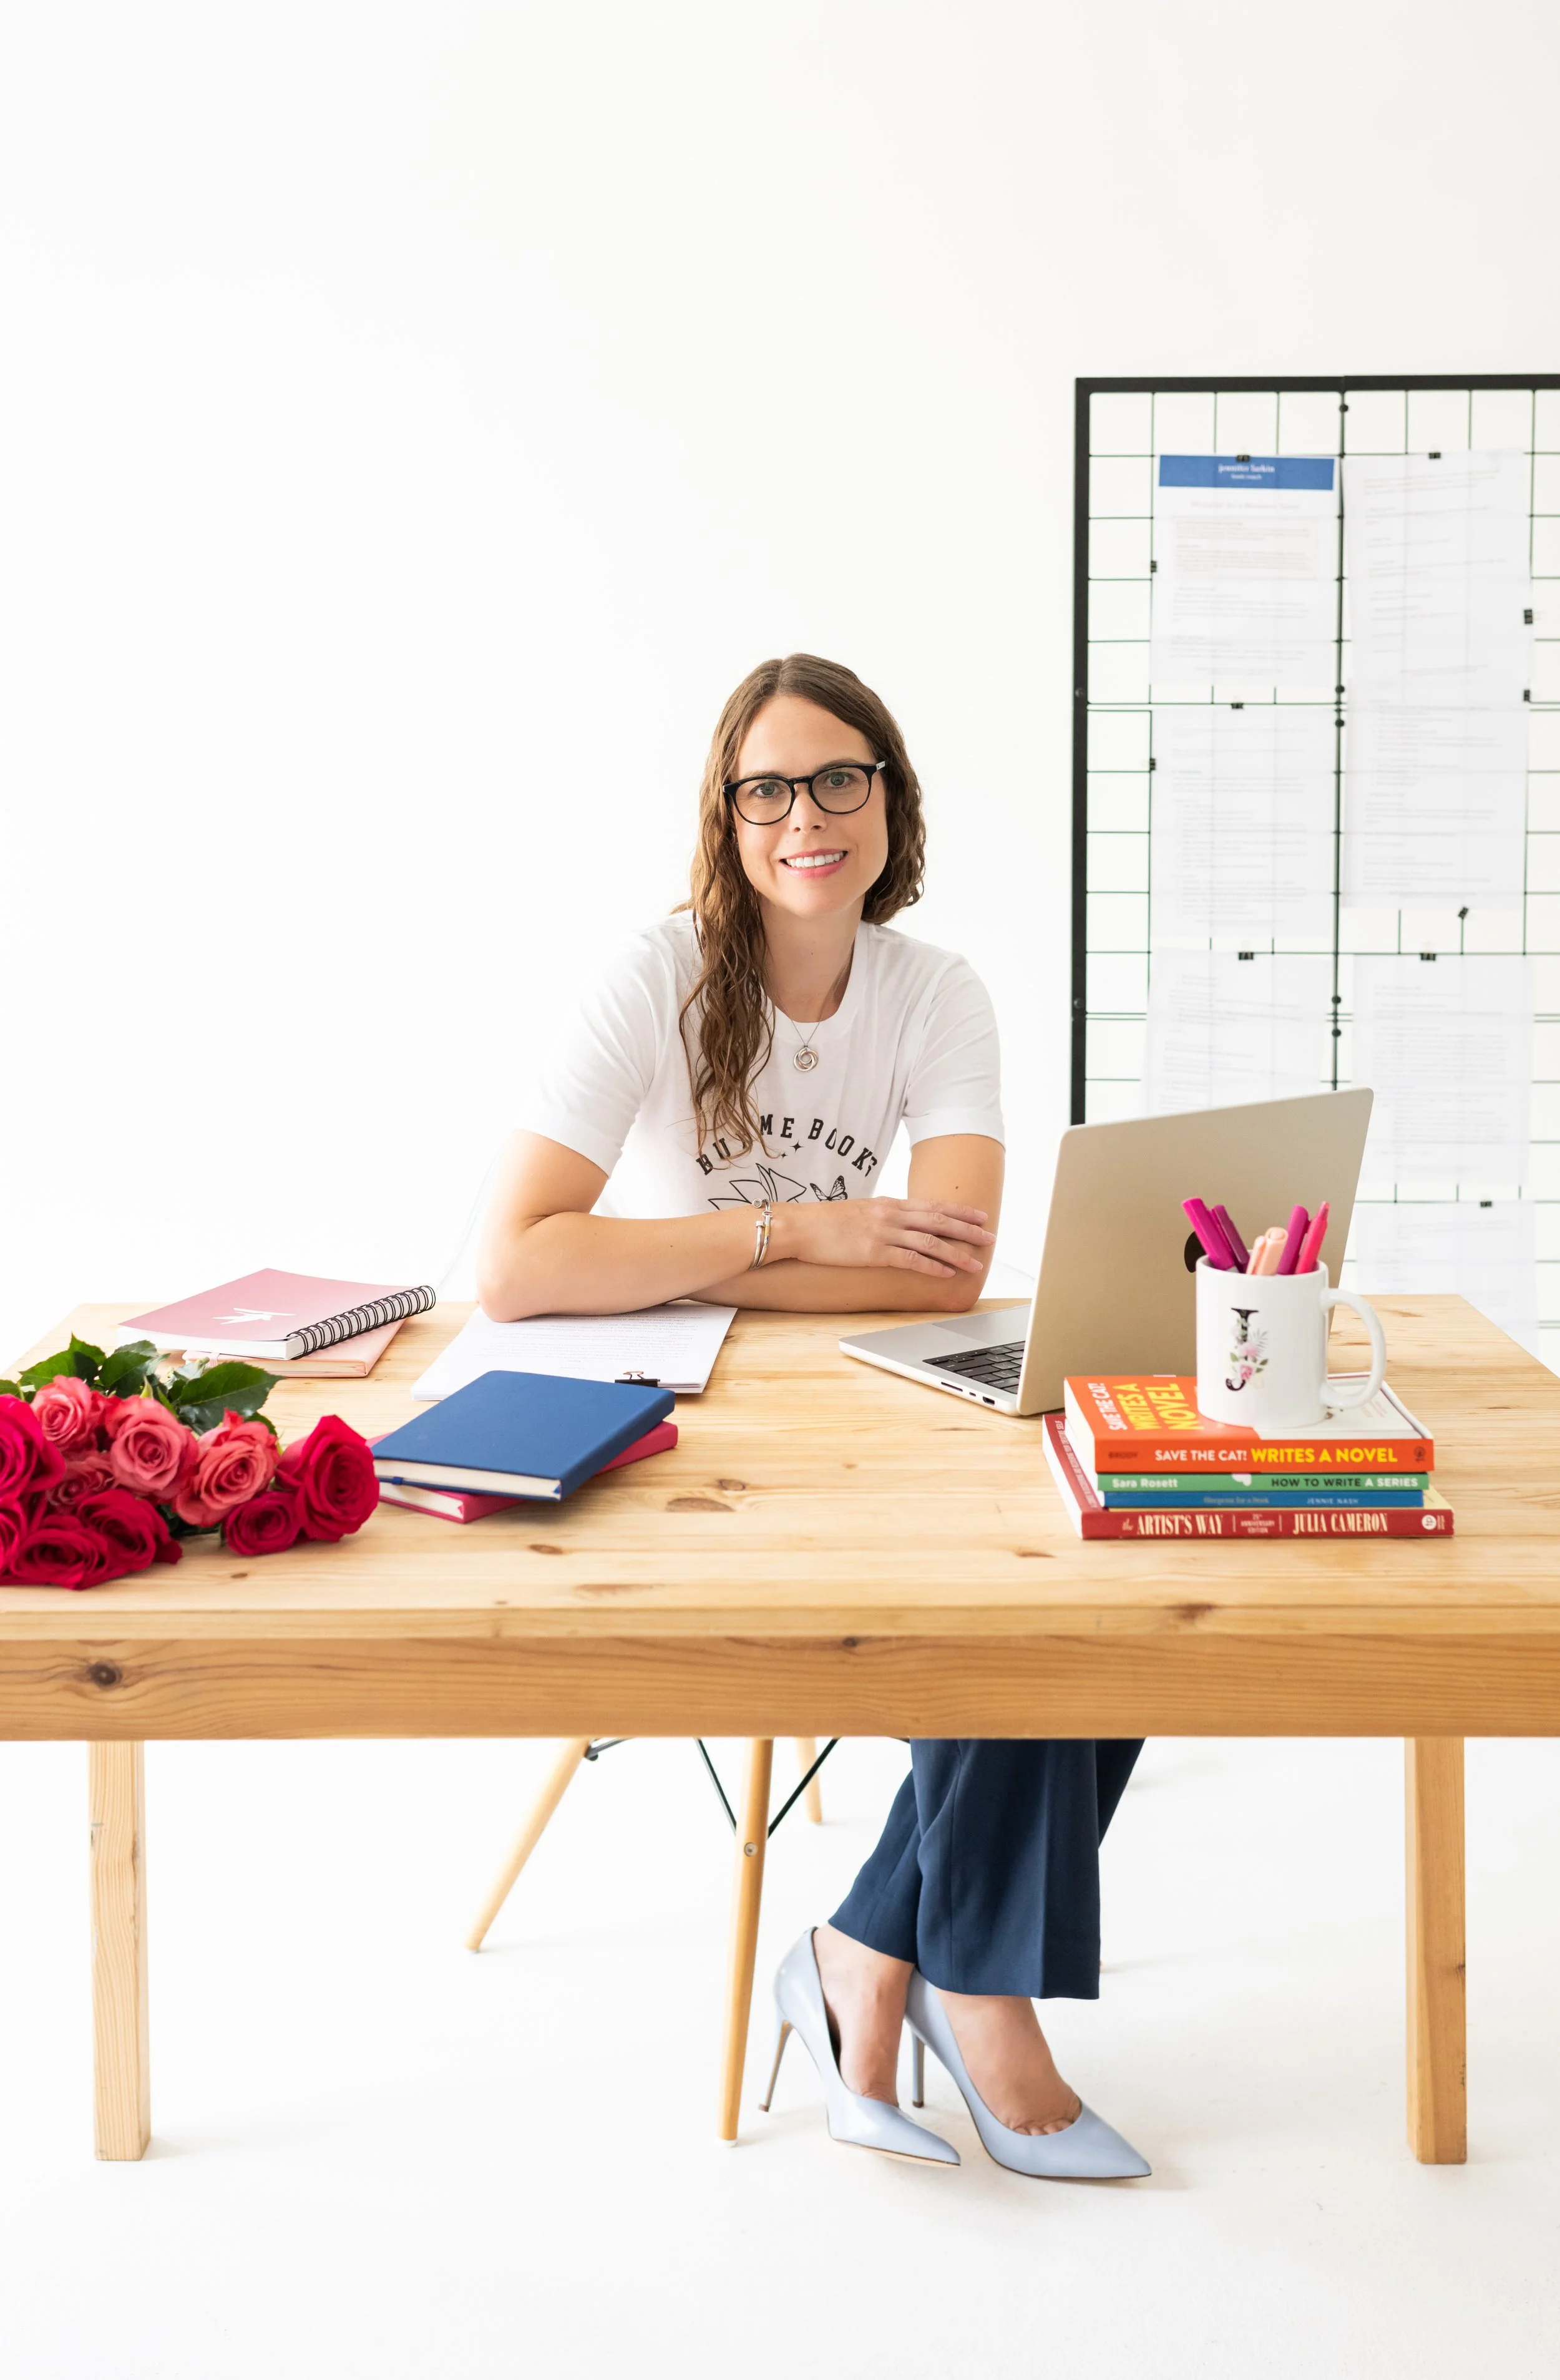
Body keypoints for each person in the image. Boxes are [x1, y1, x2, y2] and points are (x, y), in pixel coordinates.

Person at [478, 653, 1147, 2179]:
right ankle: (976, 1996)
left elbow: (951, 1262)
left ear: (887, 802)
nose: (805, 815)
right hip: (683, 1440)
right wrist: (810, 1234)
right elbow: (518, 1264)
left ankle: (866, 1951)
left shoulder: (934, 989)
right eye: (766, 787)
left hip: (881, 1401)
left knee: (1092, 1567)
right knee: (1012, 1633)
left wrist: (671, 1260)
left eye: (838, 778)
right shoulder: (653, 977)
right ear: (727, 817)